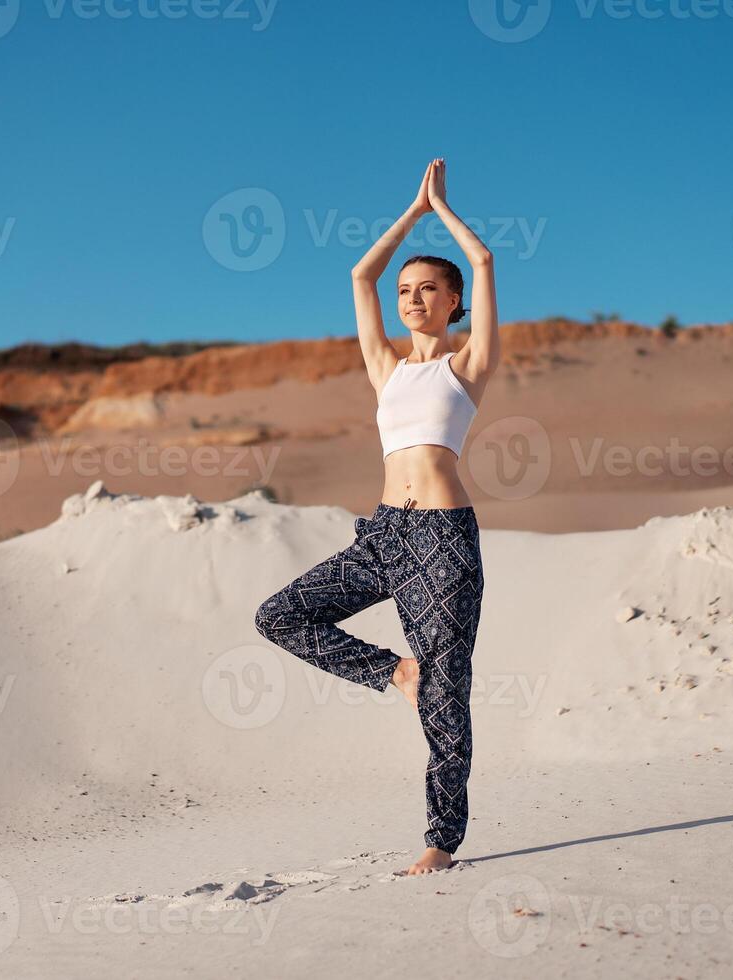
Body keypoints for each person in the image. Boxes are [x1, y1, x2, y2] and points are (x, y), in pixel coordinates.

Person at [254, 158, 500, 876]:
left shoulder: (469, 365)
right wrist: (410, 214)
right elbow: (361, 276)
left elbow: (484, 257)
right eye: (407, 291)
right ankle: (394, 671)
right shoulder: (385, 368)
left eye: (429, 289)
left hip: (442, 540)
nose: (412, 298)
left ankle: (441, 842)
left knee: (447, 694)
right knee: (280, 616)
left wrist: (444, 212)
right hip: (384, 533)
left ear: (454, 301)